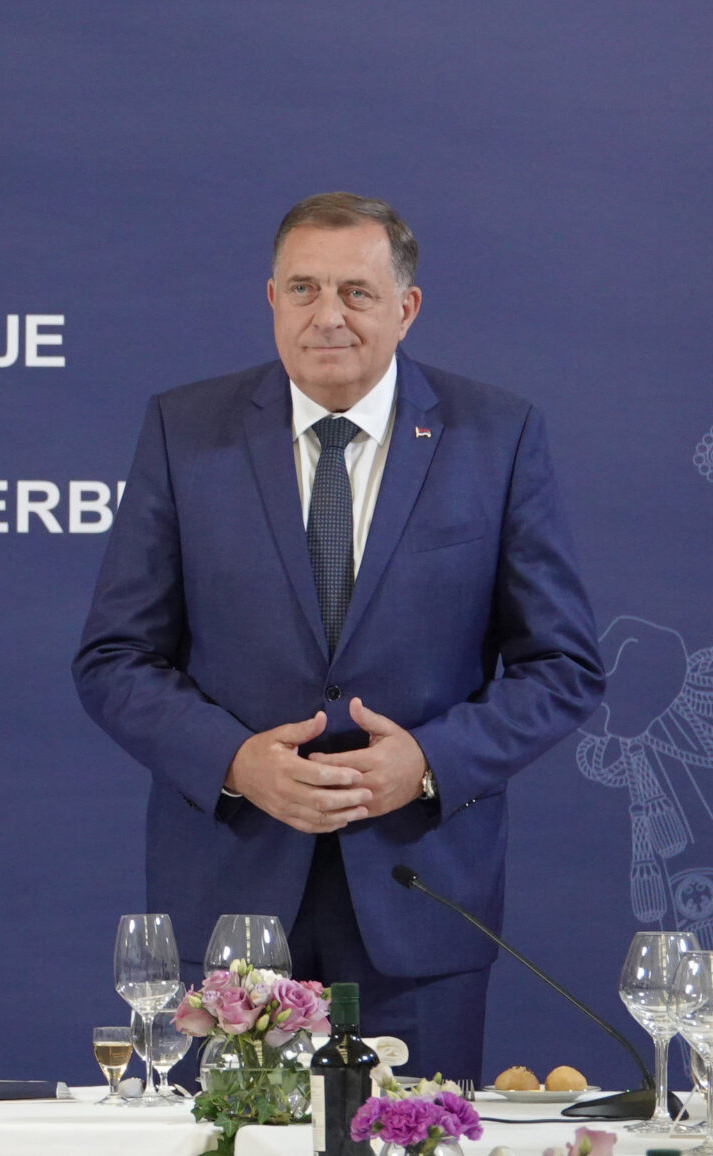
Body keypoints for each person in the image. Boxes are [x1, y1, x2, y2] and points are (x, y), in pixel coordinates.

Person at [72, 192, 603, 1079]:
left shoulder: (496, 437)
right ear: (270, 299)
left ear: (407, 307)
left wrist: (426, 763)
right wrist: (236, 762)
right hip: (233, 910)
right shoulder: (184, 430)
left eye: (356, 292)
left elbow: (562, 666)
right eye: (304, 288)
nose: (328, 316)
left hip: (419, 899)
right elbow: (114, 658)